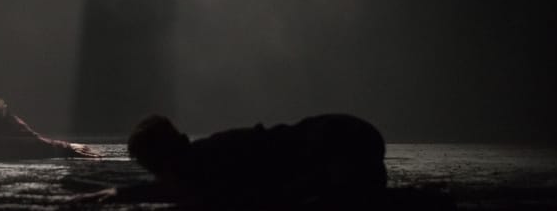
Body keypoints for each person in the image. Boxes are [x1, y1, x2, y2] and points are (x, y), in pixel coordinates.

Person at [78, 112, 387, 208]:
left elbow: (179, 187)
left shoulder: (208, 158)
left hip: (343, 136)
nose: (160, 176)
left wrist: (121, 193)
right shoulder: (206, 156)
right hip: (350, 136)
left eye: (156, 168)